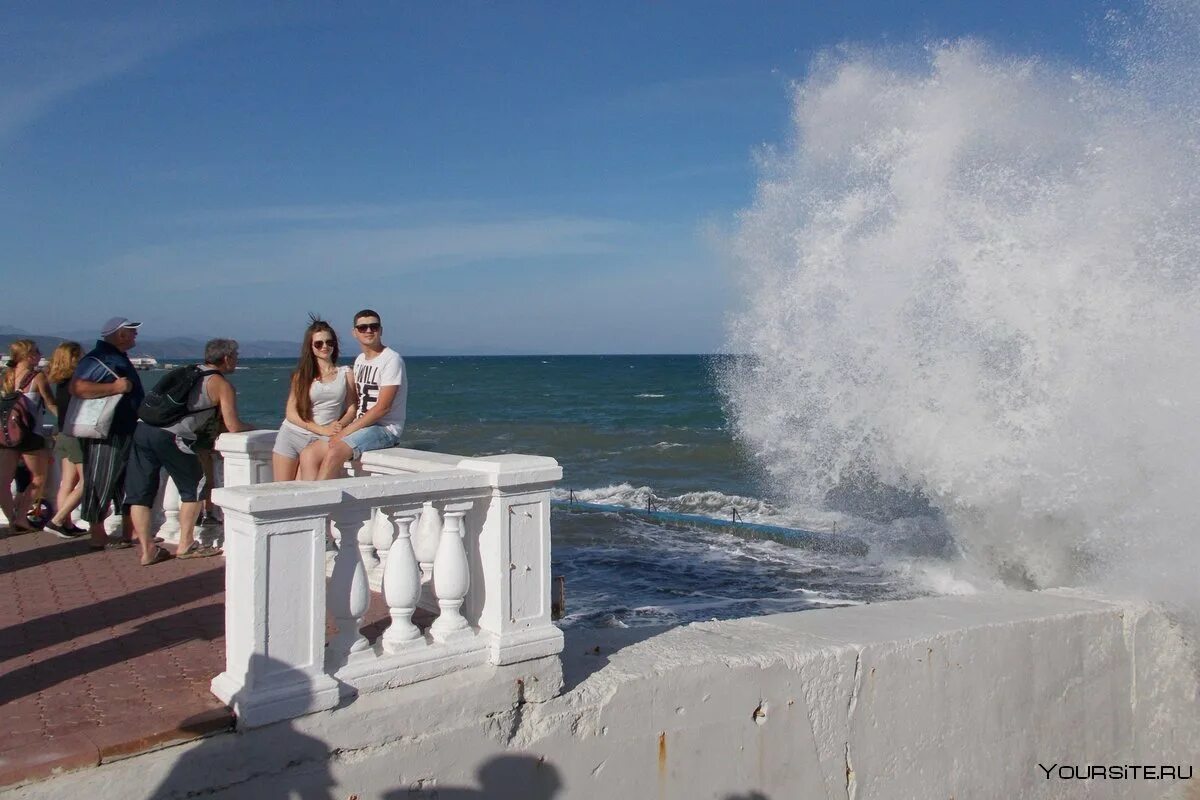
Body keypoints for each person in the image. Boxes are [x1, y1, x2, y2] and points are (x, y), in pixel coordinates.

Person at [124, 338, 253, 565]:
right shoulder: (221, 384)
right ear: (226, 358)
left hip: (143, 428)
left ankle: (147, 550)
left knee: (140, 492)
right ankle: (186, 544)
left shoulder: (188, 371)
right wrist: (254, 428)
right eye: (236, 356)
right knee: (194, 487)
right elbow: (233, 425)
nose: (237, 360)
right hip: (172, 436)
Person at [70, 317, 145, 550]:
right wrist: (115, 388)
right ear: (120, 334)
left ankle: (128, 532)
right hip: (106, 431)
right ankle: (97, 535)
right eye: (132, 332)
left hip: (123, 429)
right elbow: (78, 387)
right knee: (100, 480)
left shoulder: (114, 357)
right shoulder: (100, 358)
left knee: (125, 482)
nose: (136, 336)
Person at [306, 309, 406, 480]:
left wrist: (345, 432)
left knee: (335, 451)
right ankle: (304, 503)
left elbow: (382, 408)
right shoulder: (360, 360)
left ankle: (321, 506)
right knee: (310, 454)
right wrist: (340, 425)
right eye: (363, 327)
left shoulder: (391, 360)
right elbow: (355, 402)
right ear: (355, 333)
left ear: (380, 330)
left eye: (373, 327)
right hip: (360, 425)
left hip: (384, 429)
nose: (368, 331)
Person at [272, 317, 358, 481]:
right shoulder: (302, 376)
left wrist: (340, 424)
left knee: (306, 493)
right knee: (282, 492)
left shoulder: (346, 374)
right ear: (310, 347)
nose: (324, 346)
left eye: (329, 342)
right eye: (318, 343)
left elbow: (351, 408)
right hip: (291, 435)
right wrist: (321, 429)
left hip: (322, 440)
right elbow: (291, 413)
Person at [0, 340, 58, 533]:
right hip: (31, 435)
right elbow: (50, 403)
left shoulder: (6, 376)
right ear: (27, 355)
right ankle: (21, 517)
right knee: (39, 478)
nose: (40, 354)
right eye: (36, 351)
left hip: (7, 436)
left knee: (4, 481)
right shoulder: (37, 377)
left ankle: (11, 519)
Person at [46, 341, 87, 537]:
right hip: (75, 435)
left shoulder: (60, 382)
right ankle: (58, 520)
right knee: (89, 481)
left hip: (63, 433)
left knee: (68, 481)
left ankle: (66, 525)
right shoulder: (76, 383)